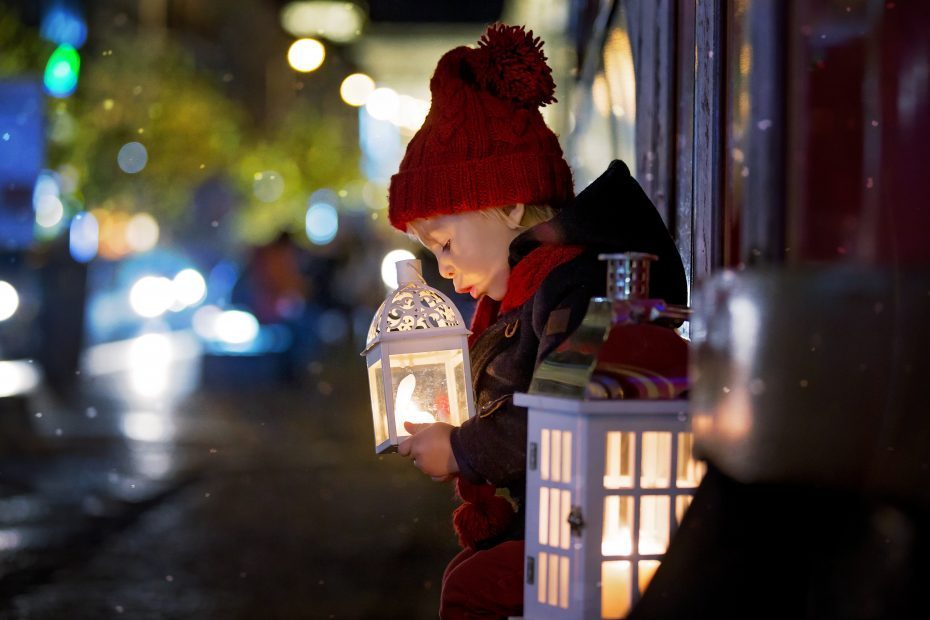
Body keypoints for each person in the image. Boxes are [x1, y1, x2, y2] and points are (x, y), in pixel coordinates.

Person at [391, 24, 687, 618]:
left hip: (598, 528)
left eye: (446, 242)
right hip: (564, 520)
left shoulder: (574, 287)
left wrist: (462, 448)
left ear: (511, 206)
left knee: (473, 590)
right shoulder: (523, 298)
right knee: (470, 577)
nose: (444, 267)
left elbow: (557, 416)